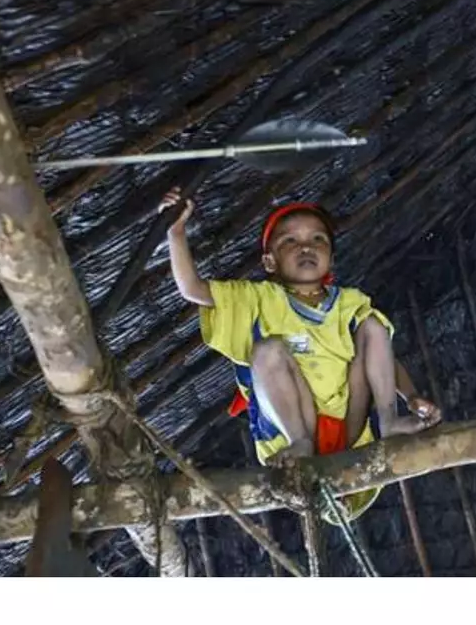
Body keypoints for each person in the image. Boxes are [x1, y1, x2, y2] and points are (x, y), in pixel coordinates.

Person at [160, 191, 440, 474]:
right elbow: (192, 289)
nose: (306, 247)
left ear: (330, 259)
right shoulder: (257, 298)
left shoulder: (350, 303)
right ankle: (301, 443)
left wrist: (411, 395)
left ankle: (389, 421)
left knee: (373, 326)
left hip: (347, 425)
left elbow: (382, 360)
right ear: (270, 262)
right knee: (268, 350)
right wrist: (176, 232)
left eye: (318, 239)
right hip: (290, 431)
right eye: (290, 241)